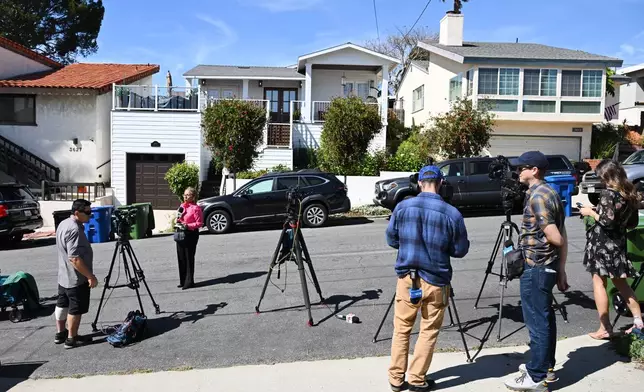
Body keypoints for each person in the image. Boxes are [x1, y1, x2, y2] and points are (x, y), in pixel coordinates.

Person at [385, 165, 470, 392]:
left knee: (402, 329)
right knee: (428, 331)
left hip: (407, 279)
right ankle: (416, 378)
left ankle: (396, 378)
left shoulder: (402, 207)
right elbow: (461, 250)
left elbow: (392, 239)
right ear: (441, 183)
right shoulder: (452, 213)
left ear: (419, 183)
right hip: (437, 281)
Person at [504, 151, 569, 392]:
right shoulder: (549, 192)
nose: (519, 171)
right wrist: (561, 270)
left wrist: (548, 254)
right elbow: (563, 231)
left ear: (535, 170)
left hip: (536, 266)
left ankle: (536, 375)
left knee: (536, 320)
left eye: (523, 167)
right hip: (547, 266)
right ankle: (546, 367)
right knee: (545, 318)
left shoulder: (539, 196)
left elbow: (556, 235)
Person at [580, 159, 643, 338]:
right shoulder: (629, 193)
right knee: (622, 284)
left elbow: (606, 222)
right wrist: (599, 209)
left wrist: (590, 212)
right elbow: (632, 223)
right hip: (618, 244)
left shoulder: (608, 194)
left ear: (607, 176)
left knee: (599, 282)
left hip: (602, 244)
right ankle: (638, 322)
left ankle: (605, 328)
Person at [54, 199, 98, 349]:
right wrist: (90, 276)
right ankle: (71, 338)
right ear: (77, 212)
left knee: (62, 304)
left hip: (63, 276)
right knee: (75, 308)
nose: (90, 215)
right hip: (75, 278)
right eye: (87, 212)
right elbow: (74, 258)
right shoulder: (74, 229)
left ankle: (60, 334)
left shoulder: (63, 223)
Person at [175, 187, 203, 290]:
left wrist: (188, 225)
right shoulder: (182, 206)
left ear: (193, 196)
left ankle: (189, 281)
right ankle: (182, 281)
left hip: (191, 234)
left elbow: (200, 223)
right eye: (184, 195)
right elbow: (179, 218)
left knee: (188, 257)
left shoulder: (196, 208)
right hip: (181, 233)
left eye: (188, 195)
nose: (185, 197)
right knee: (181, 257)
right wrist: (177, 220)